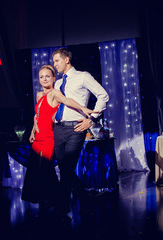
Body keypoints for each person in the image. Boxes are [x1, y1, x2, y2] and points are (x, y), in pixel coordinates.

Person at [21, 64, 96, 217]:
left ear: (54, 78)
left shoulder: (55, 93)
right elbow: (37, 115)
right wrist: (32, 130)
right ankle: (49, 200)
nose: (44, 79)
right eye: (41, 76)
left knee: (47, 169)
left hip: (49, 137)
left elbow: (68, 101)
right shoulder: (38, 94)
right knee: (36, 171)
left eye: (47, 76)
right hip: (38, 137)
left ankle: (59, 201)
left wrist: (84, 109)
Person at [52, 48, 109, 218]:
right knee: (64, 168)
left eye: (57, 61)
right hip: (59, 128)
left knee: (67, 166)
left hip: (76, 128)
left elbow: (103, 95)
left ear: (66, 60)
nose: (54, 64)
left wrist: (91, 120)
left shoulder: (83, 76)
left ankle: (62, 207)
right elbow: (56, 104)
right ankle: (84, 197)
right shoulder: (57, 83)